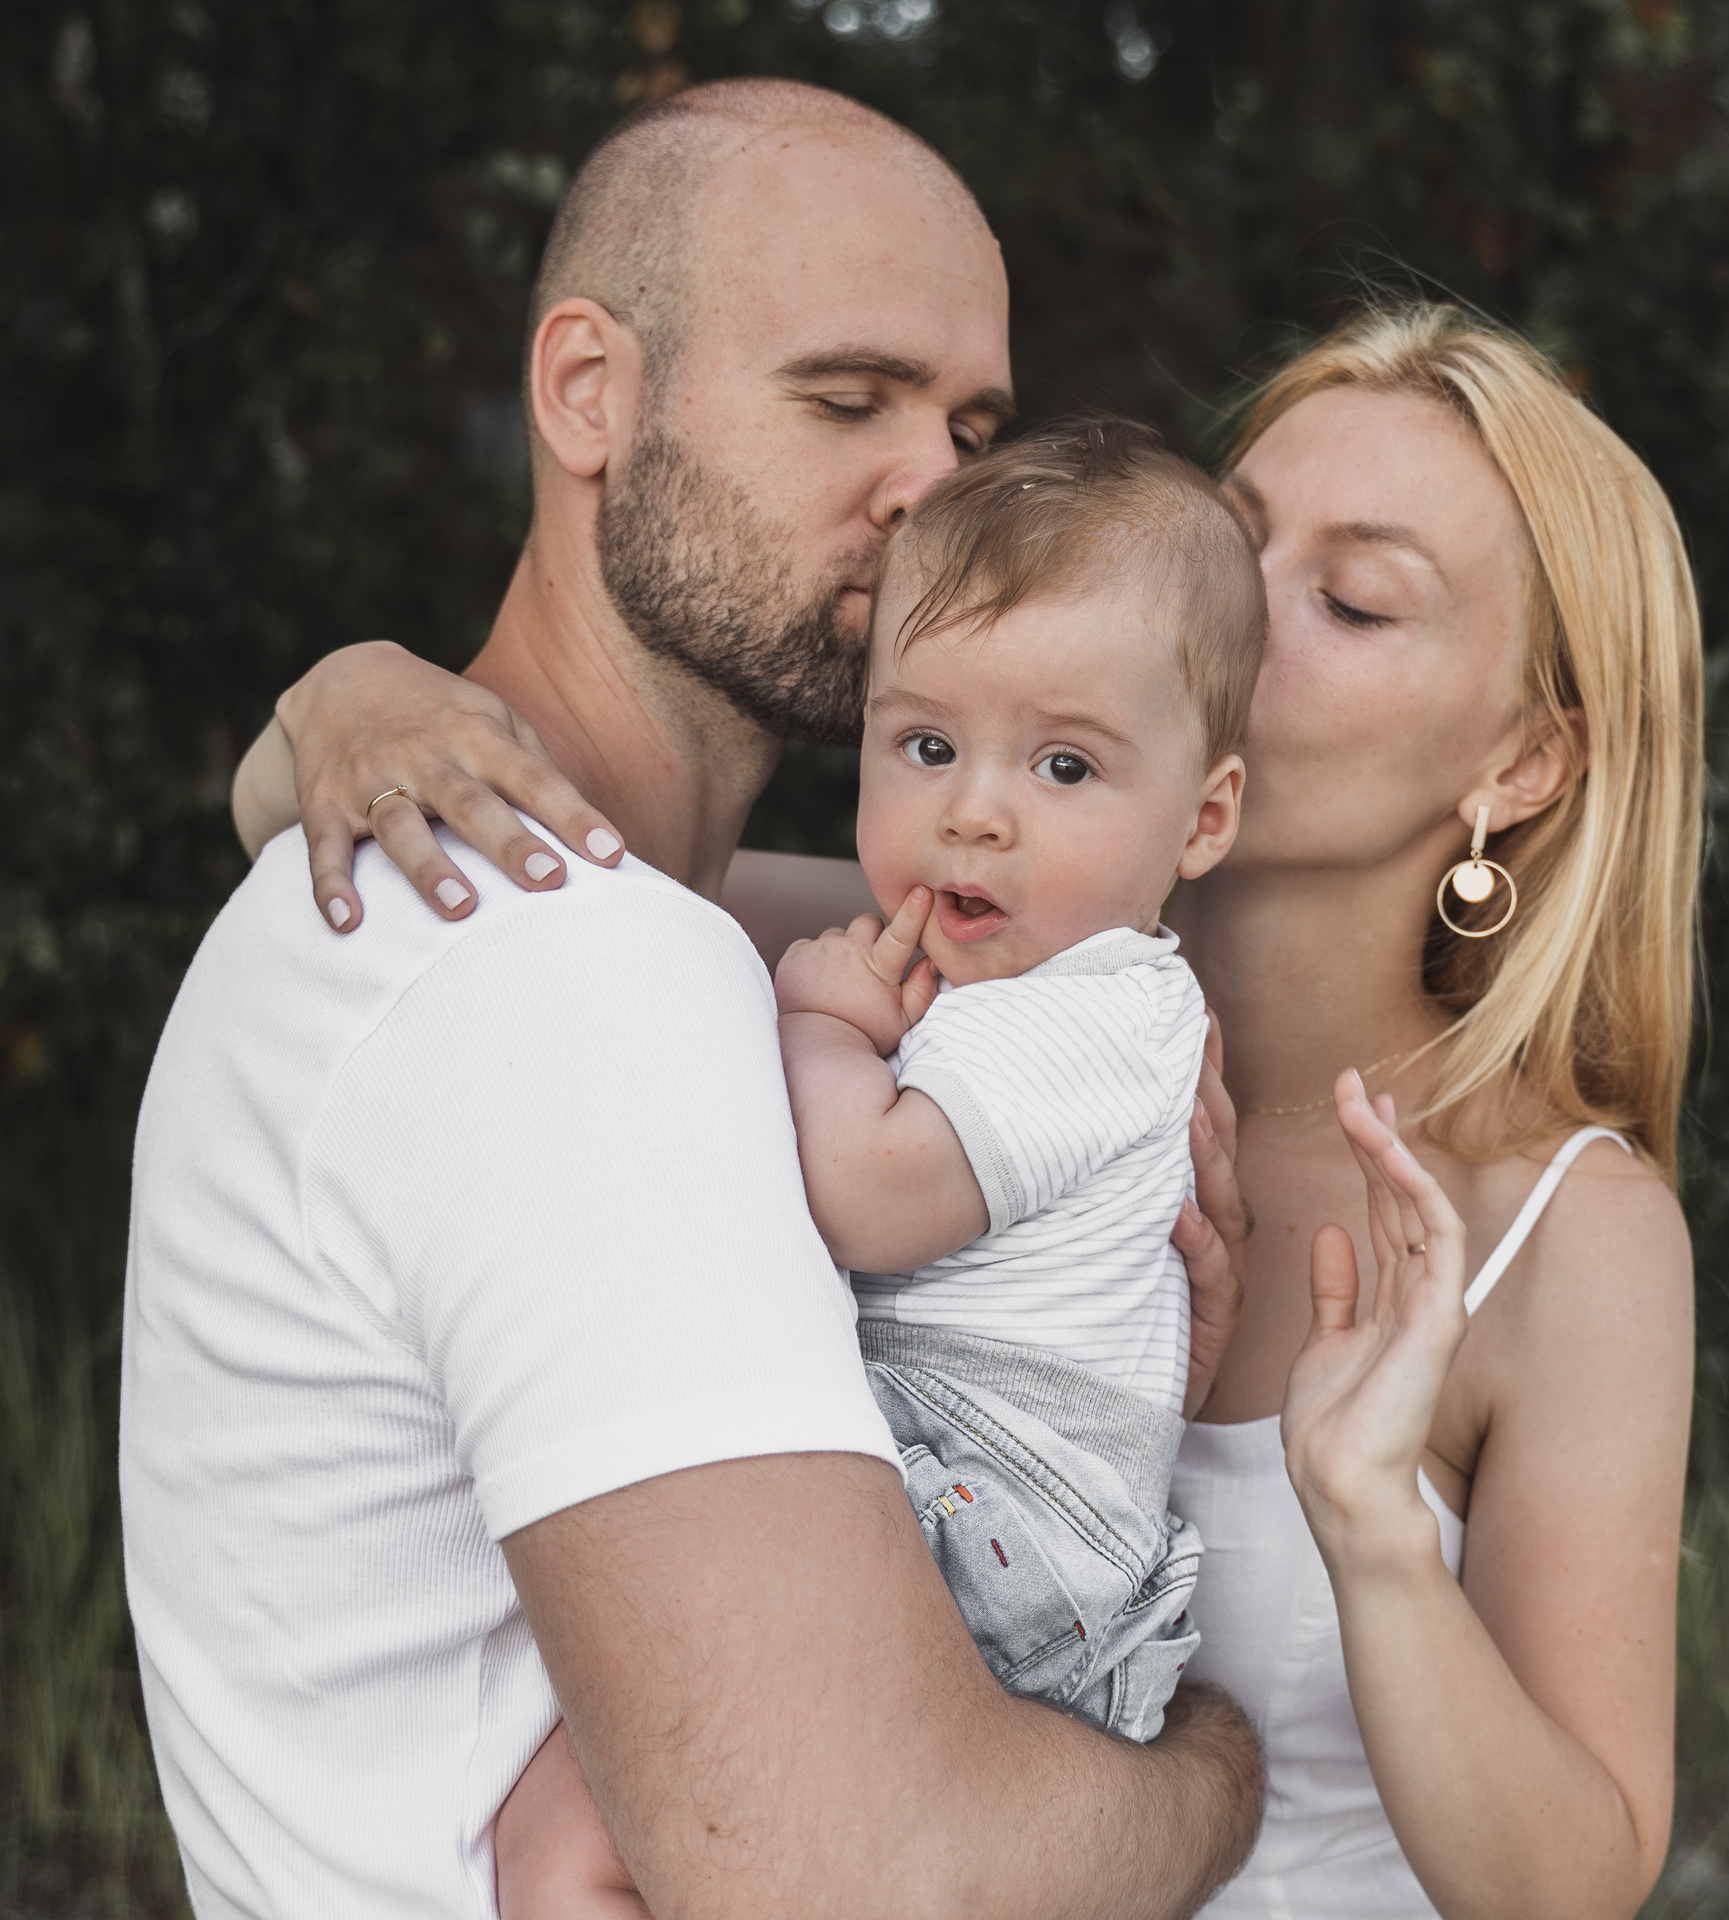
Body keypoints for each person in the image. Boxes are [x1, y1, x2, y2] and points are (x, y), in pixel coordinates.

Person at [252, 303, 1704, 1920]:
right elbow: (423, 860)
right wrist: (346, 697)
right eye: (1225, 545)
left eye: (1353, 602)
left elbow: (1574, 1885)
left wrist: (1369, 1528)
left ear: (1523, 763)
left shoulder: (1566, 1227)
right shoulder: (916, 976)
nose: (1240, 616)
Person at [123, 79, 1264, 1920]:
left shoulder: (604, 920)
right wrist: (1211, 1763)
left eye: (971, 421)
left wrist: (321, 707)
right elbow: (888, 1884)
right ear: (588, 394)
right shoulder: (573, 969)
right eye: (845, 398)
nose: (932, 488)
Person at [503, 416, 1268, 1914]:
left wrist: (815, 1027)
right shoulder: (996, 976)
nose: (973, 808)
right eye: (925, 745)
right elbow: (633, 888)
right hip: (987, 1507)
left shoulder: (1103, 1010)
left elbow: (868, 1192)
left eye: (1063, 764)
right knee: (591, 1812)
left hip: (1002, 1528)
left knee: (611, 1791)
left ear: (1207, 815)